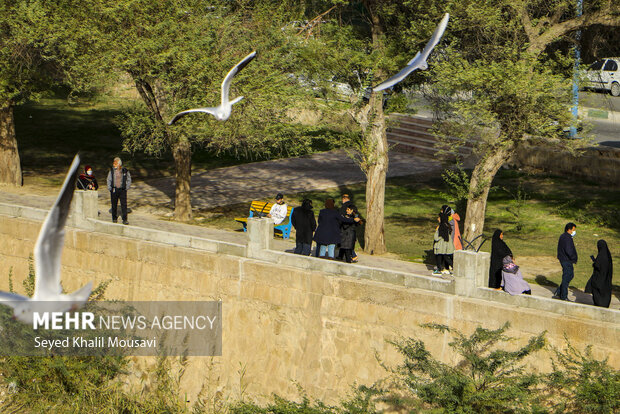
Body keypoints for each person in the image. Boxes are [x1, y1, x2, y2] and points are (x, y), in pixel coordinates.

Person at [585, 240, 613, 308]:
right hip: (606, 278)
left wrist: (594, 263)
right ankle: (605, 304)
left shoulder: (601, 255)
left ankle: (599, 303)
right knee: (605, 291)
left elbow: (598, 266)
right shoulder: (607, 255)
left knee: (596, 290)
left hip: (599, 277)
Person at [554, 222, 578, 301]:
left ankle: (559, 291)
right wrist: (573, 257)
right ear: (569, 229)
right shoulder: (567, 238)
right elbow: (569, 250)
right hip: (566, 260)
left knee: (569, 275)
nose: (573, 232)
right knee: (567, 276)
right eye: (573, 230)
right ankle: (563, 295)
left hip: (564, 259)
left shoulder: (564, 236)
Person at [106, 157, 131, 225]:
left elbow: (129, 179)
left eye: (115, 163)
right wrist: (110, 188)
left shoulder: (124, 171)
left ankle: (125, 219)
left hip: (122, 190)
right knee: (114, 204)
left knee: (124, 204)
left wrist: (127, 187)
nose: (114, 164)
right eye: (114, 163)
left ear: (119, 164)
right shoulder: (111, 171)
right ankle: (114, 218)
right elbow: (108, 179)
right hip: (114, 189)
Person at [433, 211, 454, 275]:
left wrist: (436, 231)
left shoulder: (441, 227)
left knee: (440, 257)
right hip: (446, 246)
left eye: (439, 217)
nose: (438, 219)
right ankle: (443, 268)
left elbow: (436, 237)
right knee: (445, 257)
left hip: (441, 246)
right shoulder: (447, 226)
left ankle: (439, 269)